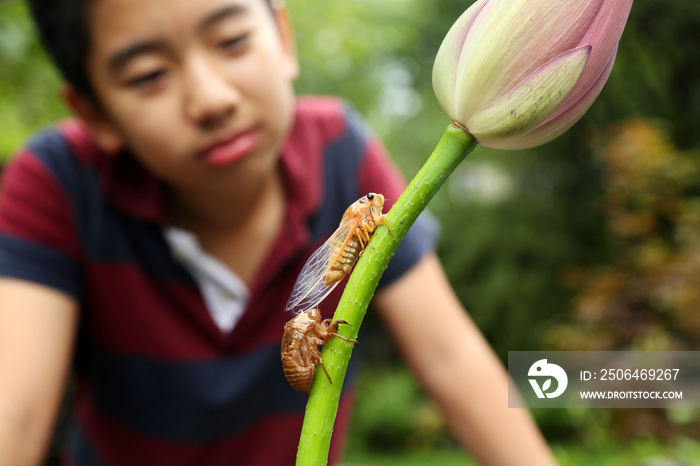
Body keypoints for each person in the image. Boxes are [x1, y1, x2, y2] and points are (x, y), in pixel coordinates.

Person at [0, 0, 558, 464]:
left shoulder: (344, 153)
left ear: (283, 37)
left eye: (231, 41)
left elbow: (450, 353)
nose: (213, 99)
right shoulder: (59, 183)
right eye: (148, 75)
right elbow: (15, 419)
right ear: (94, 111)